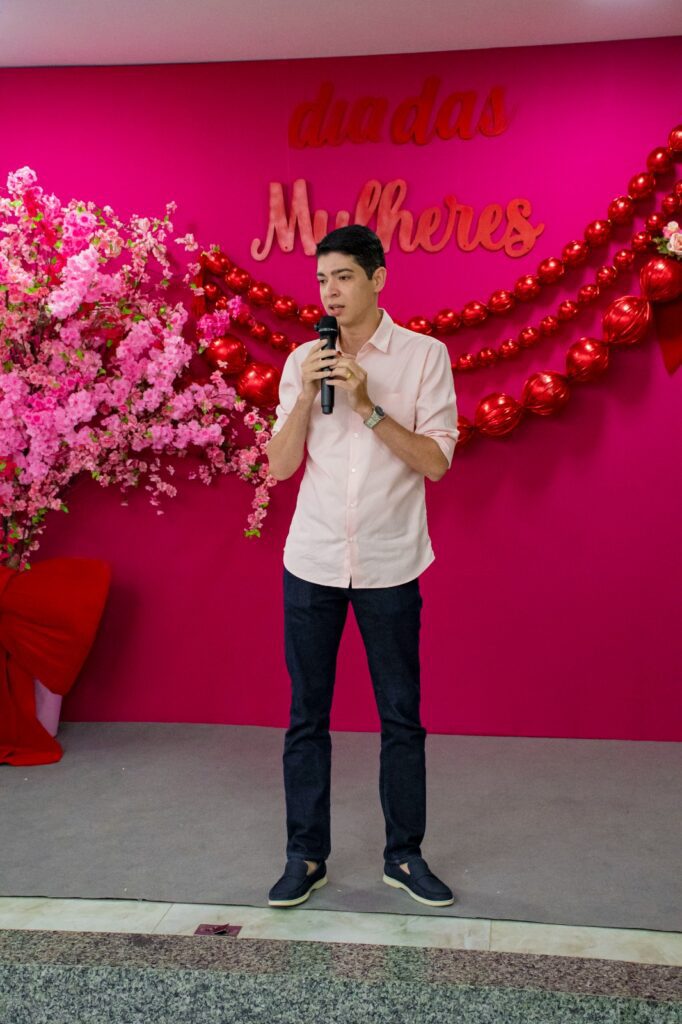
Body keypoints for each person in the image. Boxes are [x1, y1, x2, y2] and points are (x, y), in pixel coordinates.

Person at [265, 225, 459, 909]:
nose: (331, 292)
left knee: (401, 717)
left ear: (378, 278)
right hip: (312, 558)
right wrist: (304, 397)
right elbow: (280, 466)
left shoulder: (424, 357)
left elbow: (436, 462)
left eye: (344, 277)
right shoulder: (302, 360)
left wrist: (368, 406)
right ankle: (305, 856)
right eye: (323, 280)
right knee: (306, 717)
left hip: (389, 561)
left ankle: (404, 856)